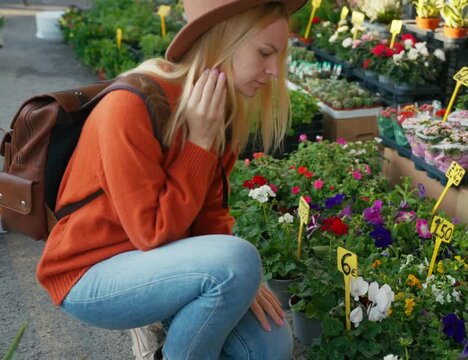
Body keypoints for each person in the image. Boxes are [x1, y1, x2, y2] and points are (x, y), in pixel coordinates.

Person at [35, 0, 307, 359]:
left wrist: (241, 282)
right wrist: (200, 144)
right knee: (238, 261)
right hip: (90, 274)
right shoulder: (129, 105)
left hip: (162, 266)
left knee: (270, 347)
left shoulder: (220, 111)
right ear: (223, 41)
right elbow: (151, 233)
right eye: (265, 52)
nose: (274, 70)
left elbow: (211, 216)